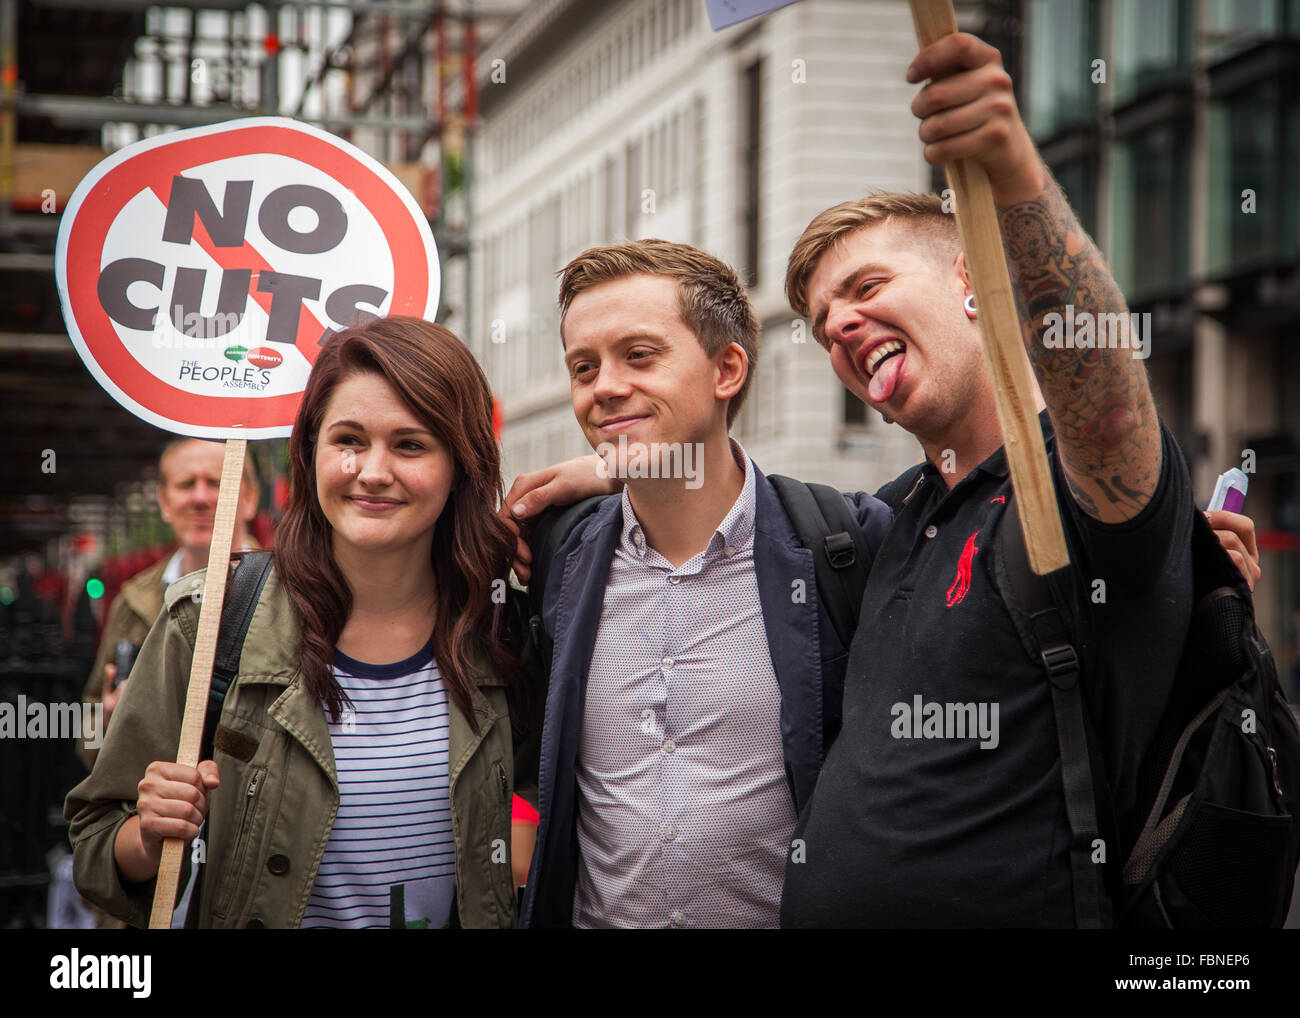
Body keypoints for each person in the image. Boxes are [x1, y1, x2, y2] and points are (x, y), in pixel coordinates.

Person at [776, 32, 1252, 926]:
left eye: (866, 285)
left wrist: (1010, 163)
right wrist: (612, 469)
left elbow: (1105, 404)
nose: (838, 323)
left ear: (973, 277)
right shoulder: (892, 520)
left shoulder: (1071, 496)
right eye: (820, 320)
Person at [66, 317, 536, 929]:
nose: (372, 471)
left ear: (461, 464)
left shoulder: (507, 626)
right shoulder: (207, 621)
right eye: (348, 440)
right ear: (310, 450)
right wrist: (149, 836)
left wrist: (610, 481)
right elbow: (97, 846)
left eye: (411, 445)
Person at [506, 239, 893, 929]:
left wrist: (620, 462)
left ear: (727, 369)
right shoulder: (557, 553)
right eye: (584, 367)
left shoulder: (845, 544)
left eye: (640, 356)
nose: (604, 387)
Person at [77, 438, 261, 773]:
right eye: (186, 484)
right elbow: (85, 740)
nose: (201, 498)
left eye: (217, 482)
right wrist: (104, 721)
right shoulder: (132, 602)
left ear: (250, 499)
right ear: (164, 502)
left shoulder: (288, 593)